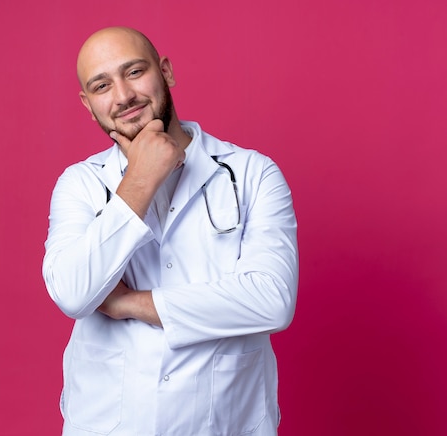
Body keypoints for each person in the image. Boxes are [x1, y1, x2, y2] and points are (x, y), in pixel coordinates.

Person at [42, 26, 298, 436]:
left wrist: (130, 303)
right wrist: (139, 182)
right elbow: (73, 293)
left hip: (224, 423)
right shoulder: (80, 184)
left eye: (135, 71)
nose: (123, 95)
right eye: (102, 85)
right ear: (89, 106)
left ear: (166, 72)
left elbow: (272, 300)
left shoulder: (253, 173)